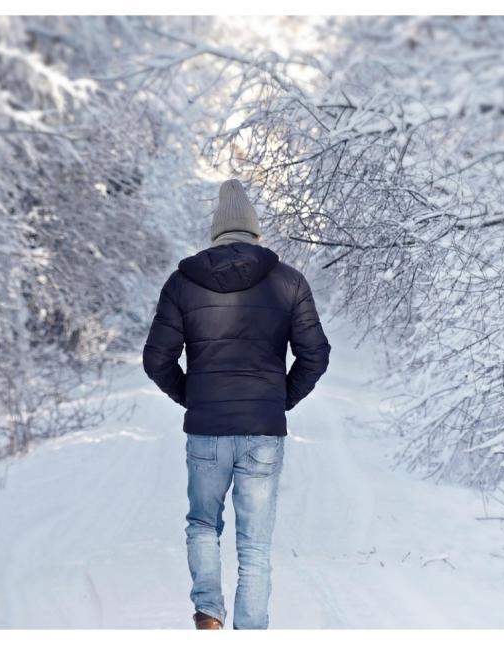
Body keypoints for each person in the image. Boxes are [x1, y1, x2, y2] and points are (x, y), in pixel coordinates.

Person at [142, 178, 332, 630]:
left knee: (204, 525)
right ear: (255, 232)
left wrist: (192, 396)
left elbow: (156, 359)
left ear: (215, 233)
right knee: (256, 543)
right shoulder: (289, 282)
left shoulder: (182, 283)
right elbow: (316, 354)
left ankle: (209, 613)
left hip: (207, 429)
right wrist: (280, 399)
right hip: (263, 431)